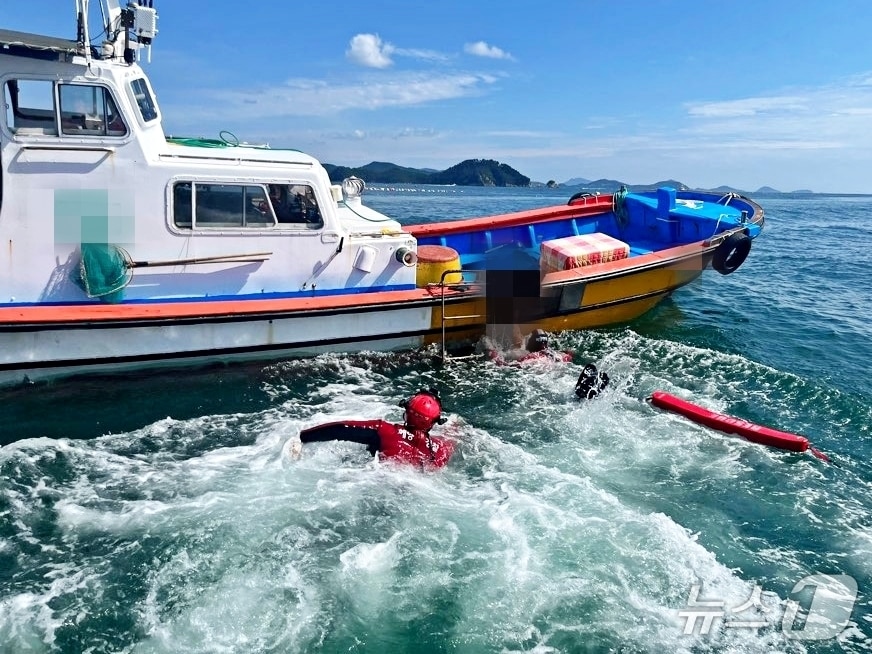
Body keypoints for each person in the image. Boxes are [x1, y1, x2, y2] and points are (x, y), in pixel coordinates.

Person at [296, 389, 454, 468]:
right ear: (433, 423)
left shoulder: (386, 432)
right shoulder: (440, 450)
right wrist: (455, 425)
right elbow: (452, 439)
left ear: (407, 412)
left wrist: (303, 436)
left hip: (378, 481)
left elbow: (341, 428)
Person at [486, 328, 572, 365]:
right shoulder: (560, 356)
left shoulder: (530, 358)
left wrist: (494, 356)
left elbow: (506, 367)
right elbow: (570, 356)